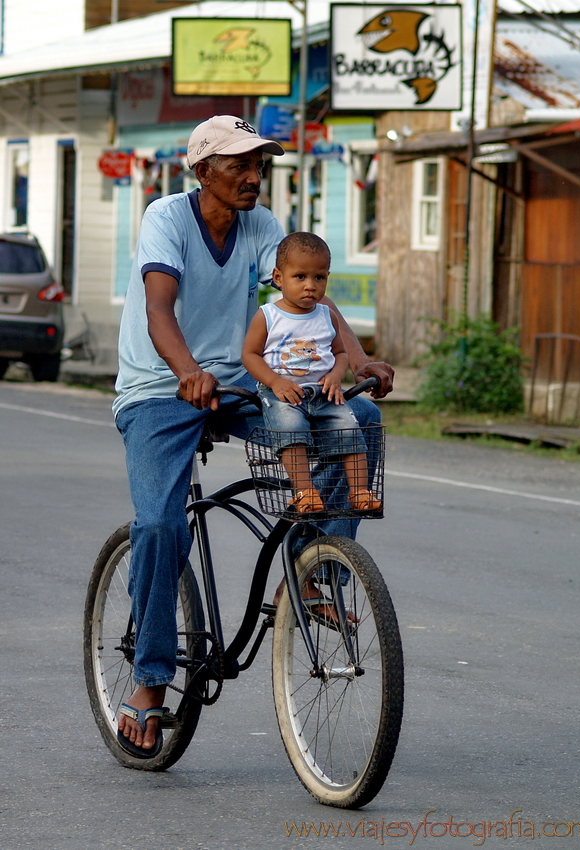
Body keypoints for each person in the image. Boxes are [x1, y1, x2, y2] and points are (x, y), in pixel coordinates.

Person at [113, 114, 394, 758]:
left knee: (361, 421)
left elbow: (312, 303)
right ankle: (151, 683)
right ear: (202, 169)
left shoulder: (263, 227)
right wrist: (186, 371)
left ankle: (313, 568)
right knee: (159, 526)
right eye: (238, 164)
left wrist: (360, 358)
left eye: (258, 164)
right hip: (162, 387)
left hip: (246, 383)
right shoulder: (166, 218)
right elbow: (160, 308)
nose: (252, 176)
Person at [243, 231, 381, 514]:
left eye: (319, 278)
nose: (310, 286)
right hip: (283, 394)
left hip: (322, 392)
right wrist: (275, 381)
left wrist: (335, 375)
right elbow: (250, 355)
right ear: (279, 278)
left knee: (348, 429)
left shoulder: (326, 315)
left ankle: (360, 492)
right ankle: (305, 493)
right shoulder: (268, 315)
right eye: (300, 277)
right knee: (291, 431)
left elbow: (340, 352)